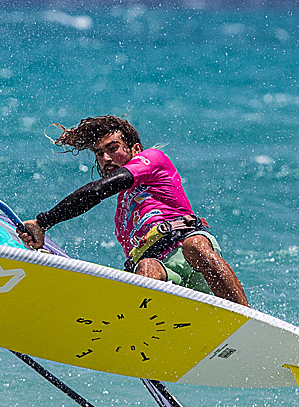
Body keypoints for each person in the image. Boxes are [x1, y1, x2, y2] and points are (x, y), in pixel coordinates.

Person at [18, 115, 249, 307]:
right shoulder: (121, 215)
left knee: (195, 245)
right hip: (161, 272)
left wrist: (43, 223)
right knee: (146, 267)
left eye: (113, 149)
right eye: (99, 153)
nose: (106, 159)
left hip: (187, 252)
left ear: (135, 148)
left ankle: (245, 320)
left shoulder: (152, 159)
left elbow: (99, 190)